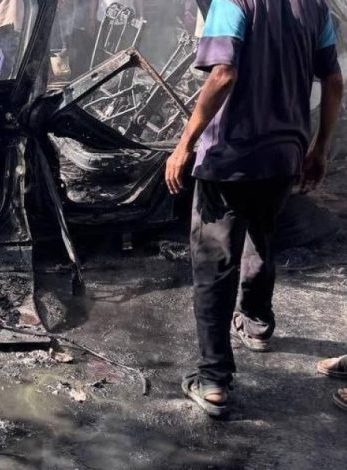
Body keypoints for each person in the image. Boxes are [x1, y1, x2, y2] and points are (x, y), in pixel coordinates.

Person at [166, 0, 344, 417]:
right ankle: (256, 323)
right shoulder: (315, 8)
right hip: (285, 154)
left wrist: (184, 145)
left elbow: (223, 74)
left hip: (230, 158)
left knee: (213, 263)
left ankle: (213, 379)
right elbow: (334, 80)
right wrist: (320, 147)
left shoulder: (231, 3)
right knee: (262, 235)